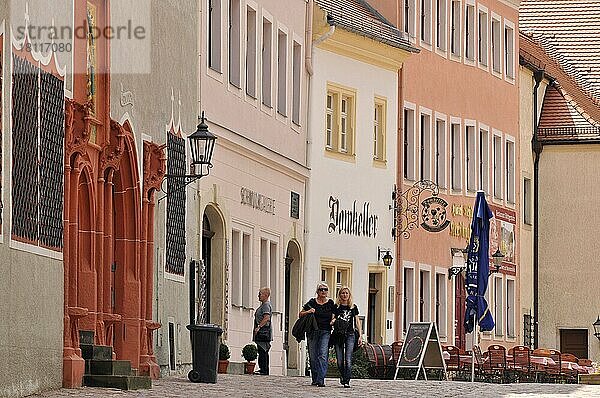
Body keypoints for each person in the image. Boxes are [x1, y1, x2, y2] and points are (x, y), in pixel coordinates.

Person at [299, 282, 335, 387]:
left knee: (322, 355)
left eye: (325, 289)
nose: (323, 291)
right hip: (312, 331)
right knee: (313, 356)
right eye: (321, 289)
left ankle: (321, 380)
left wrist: (333, 320)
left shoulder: (331, 303)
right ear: (317, 291)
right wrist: (309, 311)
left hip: (325, 331)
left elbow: (334, 315)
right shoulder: (312, 302)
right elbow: (300, 314)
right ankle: (315, 379)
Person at [332, 286, 362, 388]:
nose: (344, 295)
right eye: (342, 293)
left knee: (348, 359)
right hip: (338, 335)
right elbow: (332, 319)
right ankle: (343, 376)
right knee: (340, 360)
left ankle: (347, 380)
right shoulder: (336, 307)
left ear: (349, 295)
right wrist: (334, 321)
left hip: (350, 334)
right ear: (339, 295)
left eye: (346, 293)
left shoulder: (353, 307)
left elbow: (357, 321)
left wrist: (360, 336)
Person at [253, 287, 272, 375]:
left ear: (265, 295)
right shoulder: (264, 305)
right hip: (262, 331)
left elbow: (266, 317)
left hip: (263, 332)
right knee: (261, 350)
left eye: (260, 294)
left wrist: (259, 327)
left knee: (263, 350)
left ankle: (264, 369)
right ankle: (263, 369)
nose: (258, 296)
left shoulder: (266, 305)